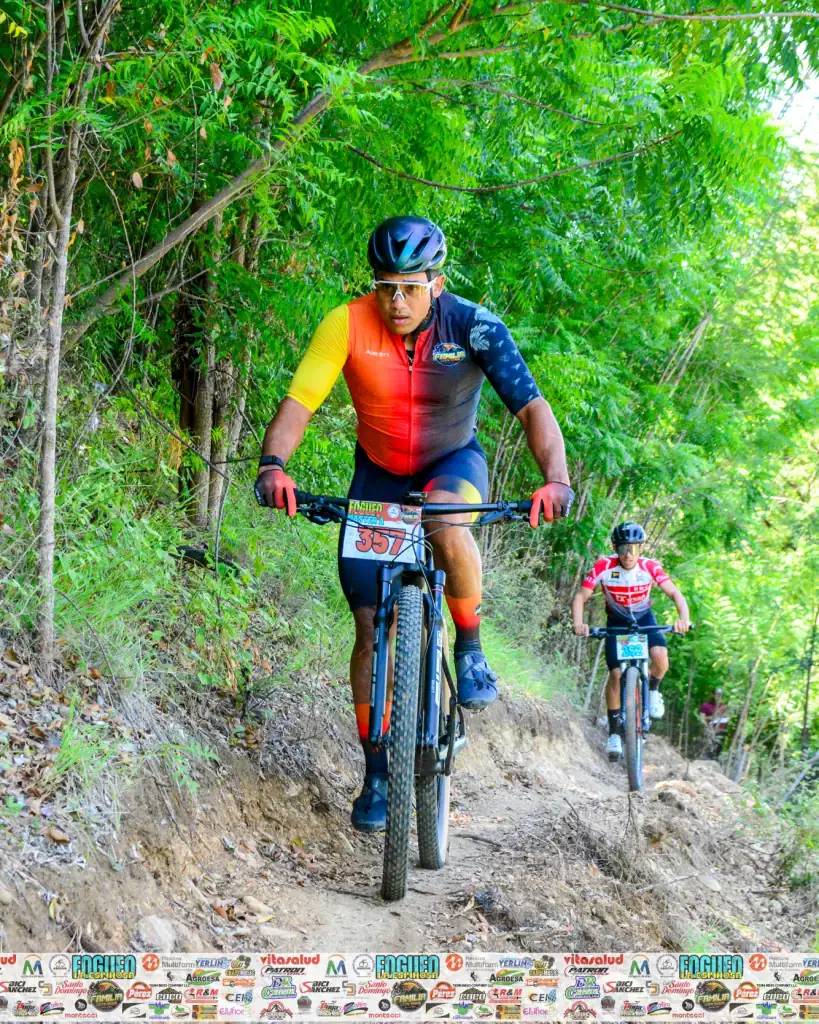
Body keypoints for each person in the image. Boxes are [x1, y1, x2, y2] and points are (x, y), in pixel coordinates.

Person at [255, 215, 574, 830]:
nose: (395, 300)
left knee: (448, 521)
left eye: (409, 286)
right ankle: (377, 770)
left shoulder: (475, 325)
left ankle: (471, 646)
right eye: (384, 287)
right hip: (378, 474)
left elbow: (532, 407)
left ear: (437, 281)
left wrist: (555, 479)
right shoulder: (345, 323)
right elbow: (300, 402)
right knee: (370, 627)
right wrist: (274, 465)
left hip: (453, 461)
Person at [571, 522, 690, 760]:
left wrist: (683, 619)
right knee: (616, 674)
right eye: (624, 548)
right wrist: (578, 622)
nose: (628, 555)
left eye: (634, 548)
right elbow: (581, 596)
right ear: (615, 547)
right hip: (617, 621)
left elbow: (675, 593)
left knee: (660, 658)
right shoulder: (604, 566)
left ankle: (653, 691)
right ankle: (614, 733)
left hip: (645, 618)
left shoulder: (650, 567)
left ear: (641, 549)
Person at [699, 689, 729, 758]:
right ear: (713, 695)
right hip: (709, 729)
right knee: (709, 744)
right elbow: (702, 718)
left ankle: (715, 758)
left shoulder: (723, 706)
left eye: (720, 695)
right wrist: (712, 718)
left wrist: (724, 717)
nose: (718, 697)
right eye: (717, 695)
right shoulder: (705, 705)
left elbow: (726, 717)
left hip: (720, 729)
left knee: (719, 745)